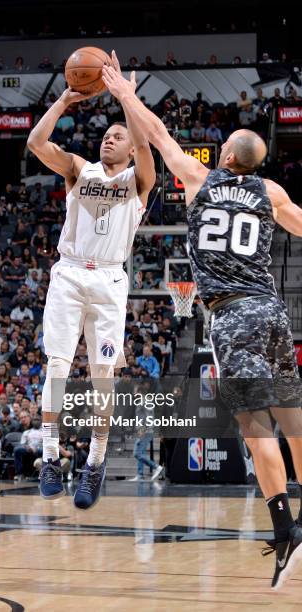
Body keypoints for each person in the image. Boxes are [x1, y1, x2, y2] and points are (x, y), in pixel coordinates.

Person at [102, 54, 302, 590]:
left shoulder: (198, 178)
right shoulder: (272, 195)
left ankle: (285, 527)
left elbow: (158, 131)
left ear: (226, 156)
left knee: (254, 426)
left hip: (232, 315)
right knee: (294, 418)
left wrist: (124, 92)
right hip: (273, 311)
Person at [27, 75, 155, 508]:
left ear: (130, 147)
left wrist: (127, 101)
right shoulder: (79, 169)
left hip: (109, 280)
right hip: (68, 274)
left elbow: (145, 147)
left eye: (118, 136)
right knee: (57, 368)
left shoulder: (139, 180)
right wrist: (64, 98)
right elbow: (36, 142)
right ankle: (49, 458)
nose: (109, 139)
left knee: (103, 378)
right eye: (105, 134)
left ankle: (94, 465)